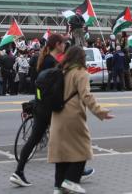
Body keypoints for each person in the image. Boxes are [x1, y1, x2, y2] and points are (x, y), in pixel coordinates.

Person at [48, 46, 114, 194]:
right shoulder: (81, 73)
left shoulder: (61, 70)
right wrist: (101, 112)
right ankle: (71, 181)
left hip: (57, 115)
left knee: (62, 154)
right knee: (83, 148)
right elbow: (87, 96)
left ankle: (58, 187)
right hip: (72, 115)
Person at [10, 33, 66, 187]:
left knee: (34, 139)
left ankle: (18, 172)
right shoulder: (52, 62)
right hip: (49, 107)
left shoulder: (43, 59)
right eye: (63, 43)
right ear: (57, 45)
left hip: (40, 104)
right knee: (63, 139)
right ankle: (70, 175)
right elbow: (54, 88)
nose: (64, 46)